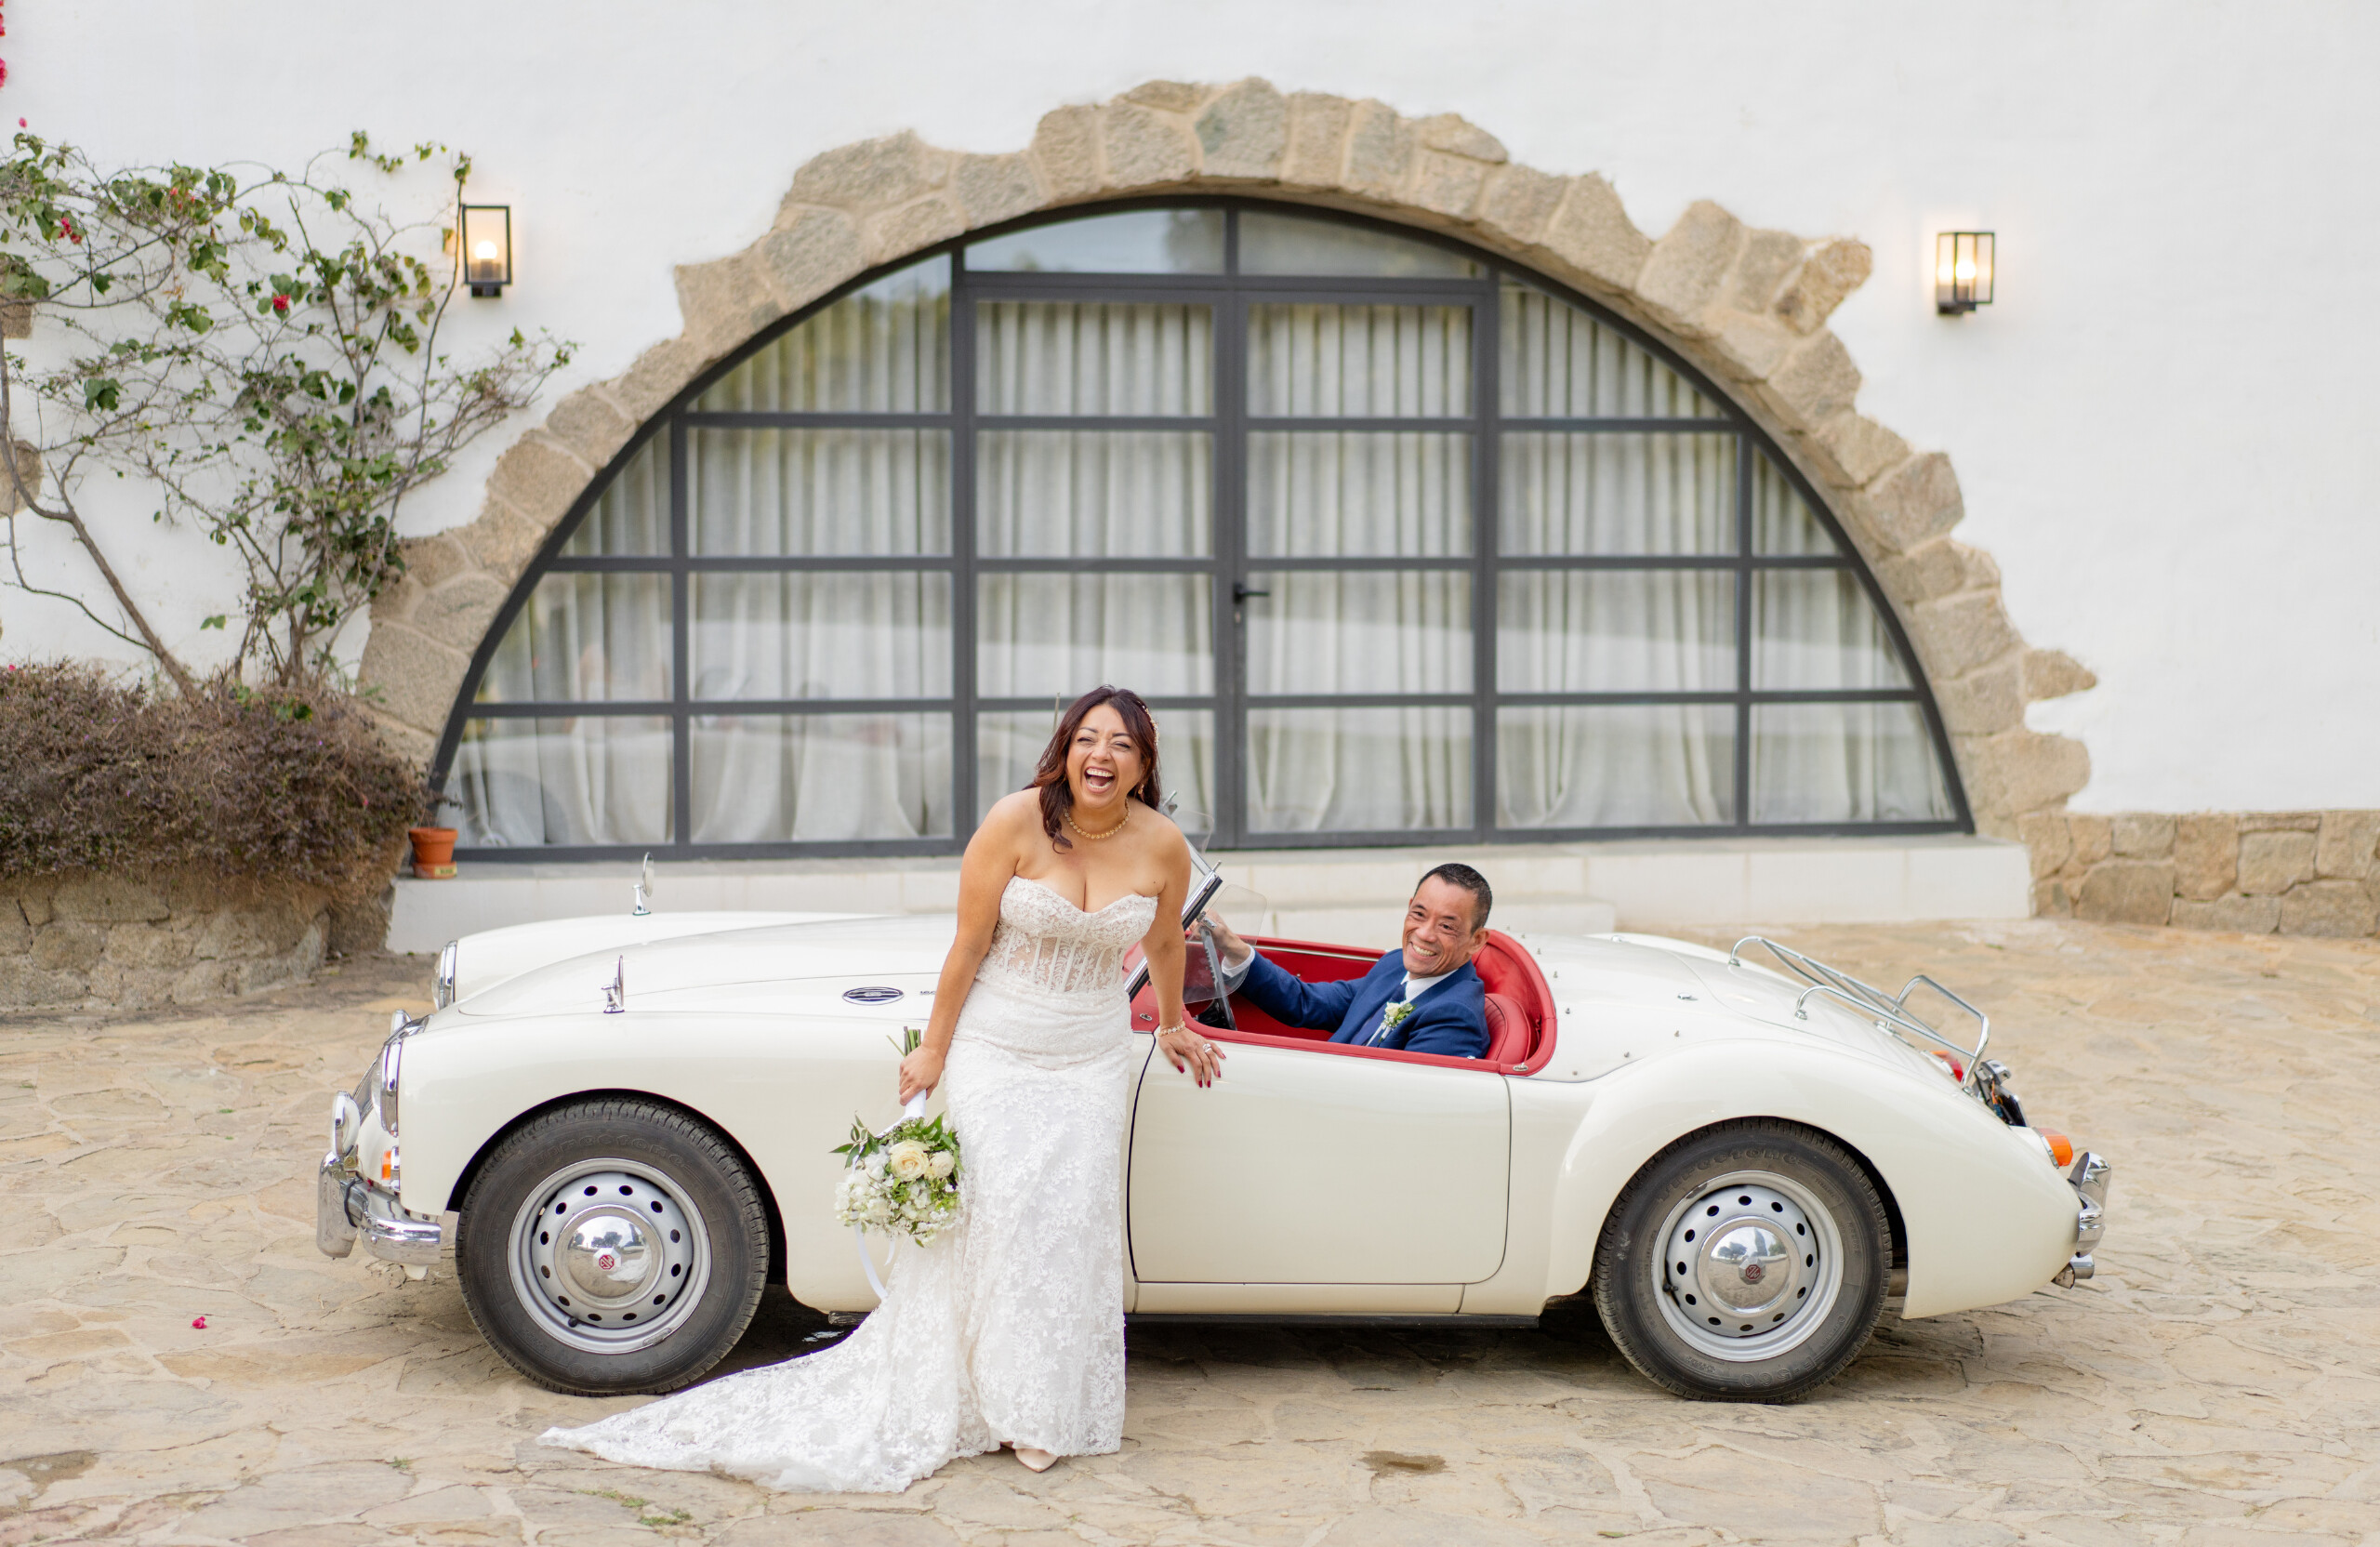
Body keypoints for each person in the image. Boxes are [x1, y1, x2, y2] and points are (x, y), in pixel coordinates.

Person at [542, 685, 1225, 1491]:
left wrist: (1175, 1021)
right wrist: (934, 1050)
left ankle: (1040, 1407)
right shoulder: (1014, 821)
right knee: (1001, 1211)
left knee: (1068, 1223)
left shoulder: (1163, 846)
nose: (1100, 756)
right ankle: (974, 1390)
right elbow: (969, 947)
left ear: (1144, 763)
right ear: (1064, 749)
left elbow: (1165, 941)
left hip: (1091, 1055)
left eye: (1120, 745)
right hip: (999, 1046)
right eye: (1086, 739)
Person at [1205, 864, 1494, 1060]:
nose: (1424, 934)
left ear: (1477, 940)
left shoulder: (1454, 1016)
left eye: (1446, 926)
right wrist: (1231, 945)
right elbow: (1309, 1003)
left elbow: (1405, 1108)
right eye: (1419, 914)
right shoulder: (1395, 965)